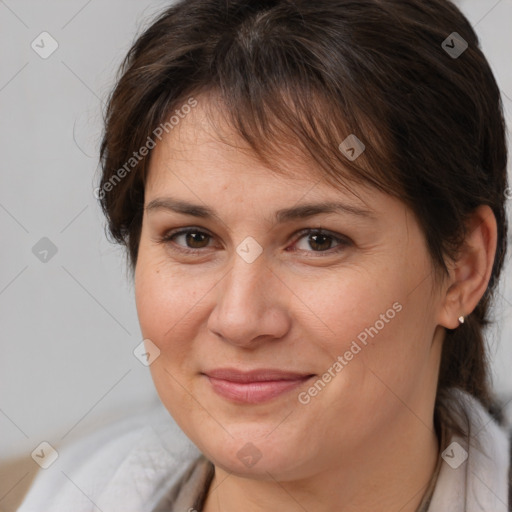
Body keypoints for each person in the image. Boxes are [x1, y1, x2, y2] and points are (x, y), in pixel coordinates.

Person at [18, 0, 512, 510]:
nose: (240, 320)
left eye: (319, 240)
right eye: (193, 238)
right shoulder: (71, 492)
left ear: (464, 267)